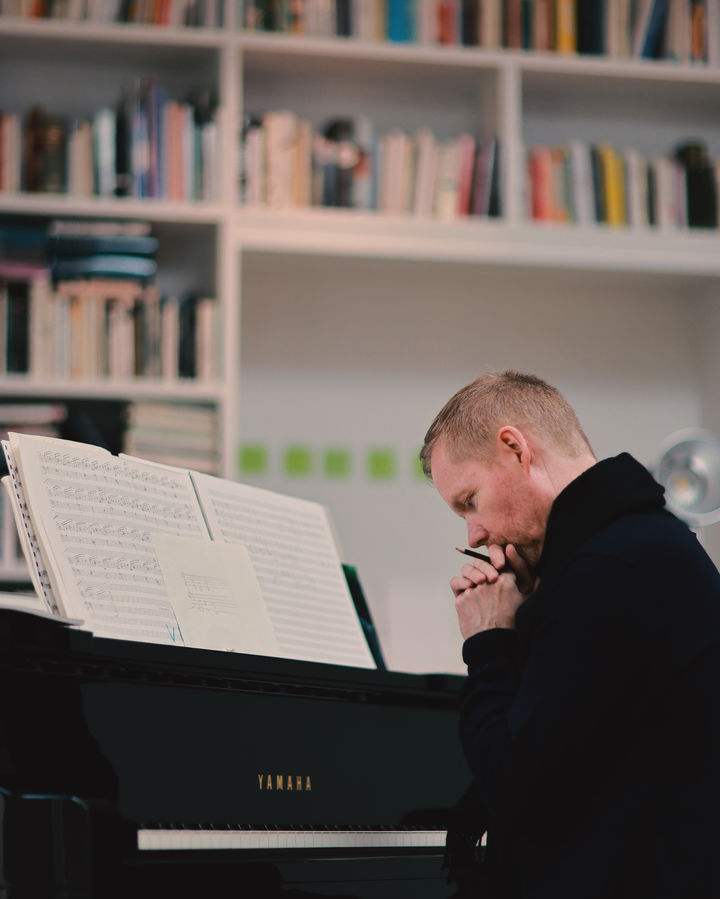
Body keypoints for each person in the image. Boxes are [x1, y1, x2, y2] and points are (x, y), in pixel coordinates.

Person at [420, 370, 720, 899]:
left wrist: (490, 641)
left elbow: (517, 787)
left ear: (515, 449)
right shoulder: (644, 543)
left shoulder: (604, 571)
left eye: (469, 500)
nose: (472, 533)